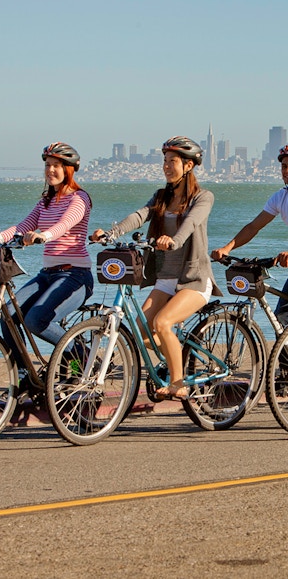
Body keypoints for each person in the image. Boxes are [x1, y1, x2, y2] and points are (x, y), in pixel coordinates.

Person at [91, 135, 222, 399]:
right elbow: (141, 215)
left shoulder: (203, 197)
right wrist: (111, 233)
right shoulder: (161, 196)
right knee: (144, 331)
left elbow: (191, 224)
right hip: (166, 278)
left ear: (189, 166)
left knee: (163, 322)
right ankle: (178, 358)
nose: (166, 165)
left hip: (194, 280)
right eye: (164, 160)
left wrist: (173, 241)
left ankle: (179, 383)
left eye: (173, 161)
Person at [0, 141, 94, 382]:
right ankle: (24, 372)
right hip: (48, 274)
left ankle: (84, 356)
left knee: (37, 320)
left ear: (69, 169)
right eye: (48, 165)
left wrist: (43, 235)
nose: (50, 170)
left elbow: (64, 225)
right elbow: (23, 226)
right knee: (8, 316)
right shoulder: (46, 201)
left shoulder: (79, 199)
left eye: (57, 166)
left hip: (75, 276)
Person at [211, 144, 288, 324]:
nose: (286, 171)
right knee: (282, 321)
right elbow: (253, 227)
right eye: (284, 166)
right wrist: (227, 248)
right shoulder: (280, 197)